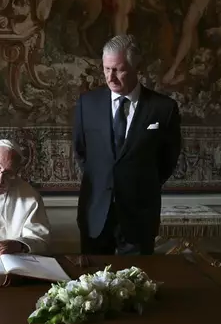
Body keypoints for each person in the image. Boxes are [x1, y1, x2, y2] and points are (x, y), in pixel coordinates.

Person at [73, 34, 182, 256]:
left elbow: (167, 160)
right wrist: (106, 179)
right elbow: (81, 150)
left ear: (136, 68)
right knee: (90, 286)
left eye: (118, 69)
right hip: (95, 213)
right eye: (106, 69)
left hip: (139, 217)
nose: (110, 77)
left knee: (136, 286)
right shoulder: (87, 104)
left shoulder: (163, 108)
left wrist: (136, 182)